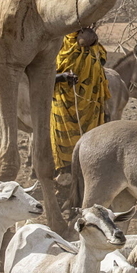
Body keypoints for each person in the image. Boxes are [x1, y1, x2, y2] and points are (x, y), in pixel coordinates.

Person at [51, 26, 109, 173]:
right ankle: (63, 176)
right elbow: (42, 74)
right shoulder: (57, 45)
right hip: (63, 105)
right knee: (63, 146)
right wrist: (63, 77)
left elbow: (101, 66)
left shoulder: (95, 49)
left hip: (91, 106)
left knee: (91, 146)